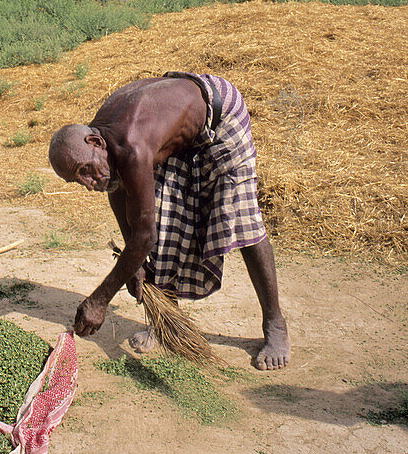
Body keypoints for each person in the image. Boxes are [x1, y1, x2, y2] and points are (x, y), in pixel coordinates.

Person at [48, 72, 290, 370]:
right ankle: (166, 322)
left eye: (85, 170)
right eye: (78, 180)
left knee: (241, 218)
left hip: (222, 116)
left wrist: (99, 300)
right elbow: (120, 192)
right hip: (182, 130)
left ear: (95, 141)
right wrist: (132, 262)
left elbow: (144, 236)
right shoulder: (106, 144)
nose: (89, 184)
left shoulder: (133, 146)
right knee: (163, 220)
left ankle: (275, 324)